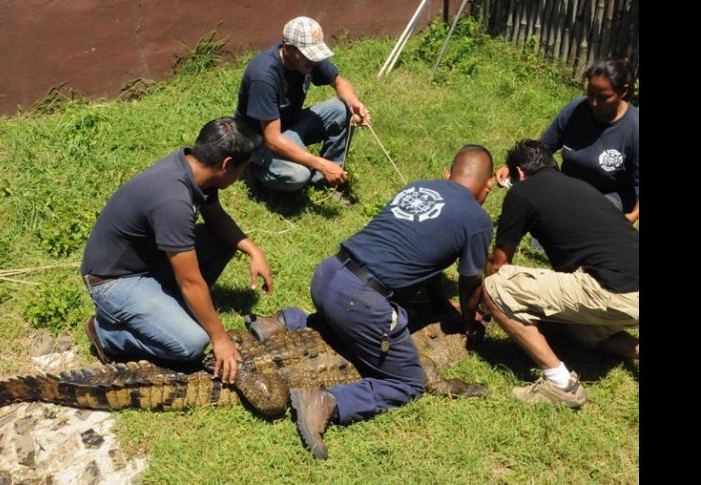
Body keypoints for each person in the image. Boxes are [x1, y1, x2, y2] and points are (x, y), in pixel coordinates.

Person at [252, 145, 495, 459]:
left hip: (328, 274)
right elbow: (471, 281)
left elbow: (430, 264)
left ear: (448, 173)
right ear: (487, 185)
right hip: (358, 301)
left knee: (348, 318)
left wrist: (439, 303)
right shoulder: (477, 219)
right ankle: (325, 402)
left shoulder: (418, 187)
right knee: (407, 383)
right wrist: (467, 323)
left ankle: (285, 321)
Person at [80, 117, 273, 384]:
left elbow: (216, 218)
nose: (241, 176)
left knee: (223, 241)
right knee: (192, 343)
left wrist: (252, 250)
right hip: (113, 281)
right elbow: (190, 282)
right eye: (243, 169)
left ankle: (171, 307)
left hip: (147, 260)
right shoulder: (173, 200)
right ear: (226, 164)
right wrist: (220, 338)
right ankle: (106, 334)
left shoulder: (195, 169)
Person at [483, 140, 639, 409]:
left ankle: (560, 384)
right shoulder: (581, 187)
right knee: (577, 335)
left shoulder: (522, 193)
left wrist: (475, 305)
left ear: (518, 172)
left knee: (496, 287)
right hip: (629, 289)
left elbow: (498, 265)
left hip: (612, 289)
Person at [235, 16, 371, 192]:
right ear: (288, 48)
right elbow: (273, 140)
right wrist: (321, 163)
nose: (314, 61)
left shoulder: (307, 58)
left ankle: (327, 180)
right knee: (298, 176)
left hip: (291, 125)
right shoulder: (264, 75)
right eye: (308, 56)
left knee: (342, 107)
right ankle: (252, 166)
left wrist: (354, 103)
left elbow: (339, 82)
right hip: (260, 140)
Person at [495, 58, 639, 223]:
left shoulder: (634, 127)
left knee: (585, 221)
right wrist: (513, 167)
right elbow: (544, 147)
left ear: (623, 92)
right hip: (568, 189)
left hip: (608, 198)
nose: (593, 102)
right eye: (590, 93)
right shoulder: (576, 110)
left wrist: (632, 217)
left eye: (603, 97)